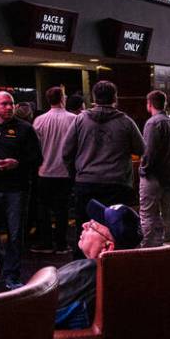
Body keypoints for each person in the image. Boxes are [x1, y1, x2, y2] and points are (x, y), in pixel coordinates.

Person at [62, 81, 145, 254]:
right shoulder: (125, 122)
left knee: (83, 230)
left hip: (86, 183)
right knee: (116, 232)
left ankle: (81, 270)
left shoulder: (80, 120)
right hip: (117, 183)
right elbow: (141, 149)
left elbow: (66, 152)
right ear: (115, 98)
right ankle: (112, 272)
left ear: (93, 98)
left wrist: (75, 174)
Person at [0, 92, 41, 289]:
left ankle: (11, 274)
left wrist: (18, 163)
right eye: (4, 104)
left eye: (11, 104)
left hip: (16, 190)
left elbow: (37, 159)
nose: (8, 107)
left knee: (15, 234)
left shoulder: (25, 129)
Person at [54, 201, 142, 330]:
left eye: (92, 226)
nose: (84, 225)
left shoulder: (84, 276)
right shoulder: (128, 276)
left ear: (107, 247)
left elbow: (27, 305)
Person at [31, 86, 78, 254]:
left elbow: (34, 147)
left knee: (43, 208)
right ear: (62, 98)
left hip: (44, 171)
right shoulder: (73, 119)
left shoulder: (39, 120)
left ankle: (46, 242)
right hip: (65, 171)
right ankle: (61, 243)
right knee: (62, 209)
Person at [139, 90, 170, 247]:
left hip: (154, 177)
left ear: (149, 104)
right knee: (168, 213)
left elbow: (148, 152)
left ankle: (150, 246)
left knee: (148, 213)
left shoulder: (153, 123)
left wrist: (143, 170)